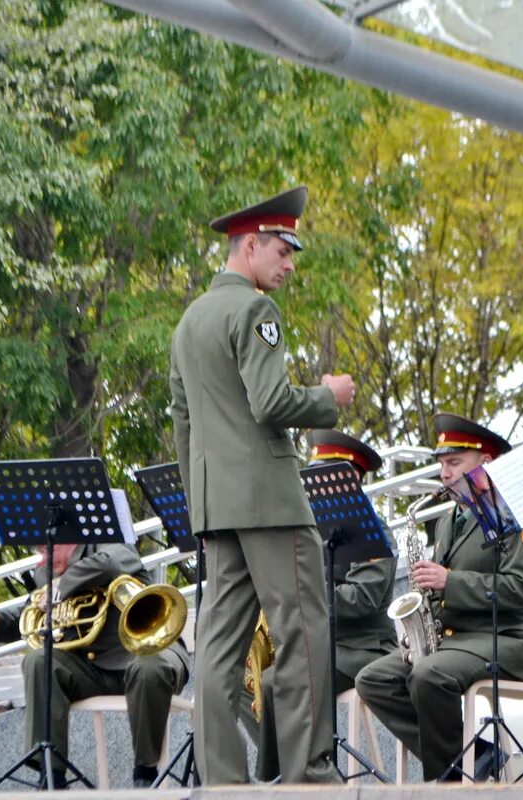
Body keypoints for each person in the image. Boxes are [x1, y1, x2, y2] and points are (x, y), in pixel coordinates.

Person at [169, 185, 356, 784]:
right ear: (250, 246)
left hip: (217, 510)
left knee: (218, 652)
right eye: (282, 249)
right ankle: (310, 775)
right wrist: (330, 398)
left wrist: (200, 501)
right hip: (272, 506)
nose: (289, 263)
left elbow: (183, 424)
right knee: (302, 630)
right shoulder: (255, 311)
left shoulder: (189, 321)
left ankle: (223, 783)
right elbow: (271, 401)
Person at [355, 414, 523, 782]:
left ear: (486, 463)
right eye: (442, 464)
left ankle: (447, 785)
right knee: (372, 679)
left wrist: (450, 581)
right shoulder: (447, 519)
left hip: (504, 641)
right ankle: (474, 755)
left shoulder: (518, 511)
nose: (444, 473)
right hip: (455, 641)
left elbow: (522, 589)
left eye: (454, 463)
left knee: (428, 675)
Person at [240, 430, 397, 782]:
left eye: (322, 478)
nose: (312, 487)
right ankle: (289, 766)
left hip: (360, 648)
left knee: (278, 682)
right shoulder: (306, 530)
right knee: (237, 677)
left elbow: (363, 599)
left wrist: (302, 593)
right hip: (314, 644)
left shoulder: (375, 530)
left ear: (351, 480)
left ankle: (277, 780)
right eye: (310, 477)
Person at [0, 542, 189, 788]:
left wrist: (63, 585)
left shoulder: (112, 545)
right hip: (94, 669)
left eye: (45, 551)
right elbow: (31, 612)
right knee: (39, 659)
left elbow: (110, 563)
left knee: (147, 668)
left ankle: (146, 772)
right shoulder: (50, 574)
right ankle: (51, 774)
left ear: (69, 539)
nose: (41, 561)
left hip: (154, 649)